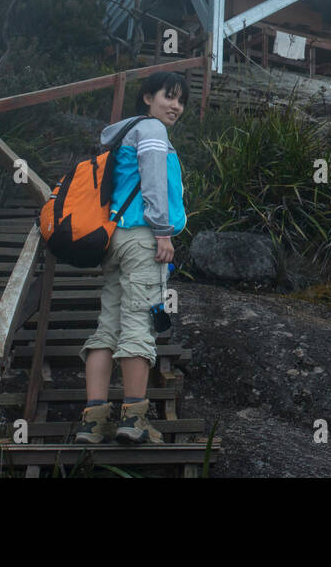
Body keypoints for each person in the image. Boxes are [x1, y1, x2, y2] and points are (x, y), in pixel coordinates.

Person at [75, 71, 188, 445]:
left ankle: (93, 422)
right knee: (139, 323)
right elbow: (153, 181)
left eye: (181, 100)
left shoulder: (121, 134)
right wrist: (162, 231)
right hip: (142, 237)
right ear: (147, 97)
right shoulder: (153, 133)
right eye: (168, 96)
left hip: (113, 238)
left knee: (108, 327)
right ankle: (134, 419)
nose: (175, 105)